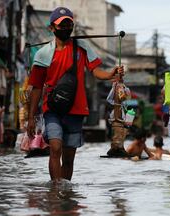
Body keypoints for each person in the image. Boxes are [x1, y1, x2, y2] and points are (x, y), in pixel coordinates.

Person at [27, 7, 124, 182]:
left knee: (69, 158)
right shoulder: (43, 54)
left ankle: (65, 193)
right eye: (61, 25)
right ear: (52, 28)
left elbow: (96, 71)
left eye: (69, 24)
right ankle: (56, 190)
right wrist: (31, 118)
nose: (65, 28)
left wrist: (111, 74)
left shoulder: (81, 48)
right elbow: (36, 87)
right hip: (52, 110)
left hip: (76, 110)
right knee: (55, 148)